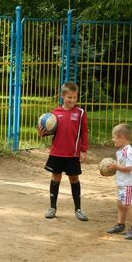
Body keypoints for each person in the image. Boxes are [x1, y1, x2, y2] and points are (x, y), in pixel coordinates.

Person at [38, 81, 89, 221]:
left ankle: (78, 209)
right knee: (55, 177)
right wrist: (42, 133)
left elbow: (84, 132)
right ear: (63, 96)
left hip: (72, 154)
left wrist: (83, 150)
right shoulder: (54, 114)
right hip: (57, 153)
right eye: (69, 97)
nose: (72, 100)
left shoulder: (80, 113)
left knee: (74, 178)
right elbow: (50, 131)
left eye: (74, 97)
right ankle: (52, 208)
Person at [104, 123, 132, 240]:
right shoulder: (121, 150)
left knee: (126, 205)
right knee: (120, 204)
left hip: (129, 184)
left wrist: (115, 166)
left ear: (122, 138)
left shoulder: (127, 152)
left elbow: (128, 168)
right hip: (122, 183)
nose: (113, 140)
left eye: (114, 137)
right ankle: (120, 225)